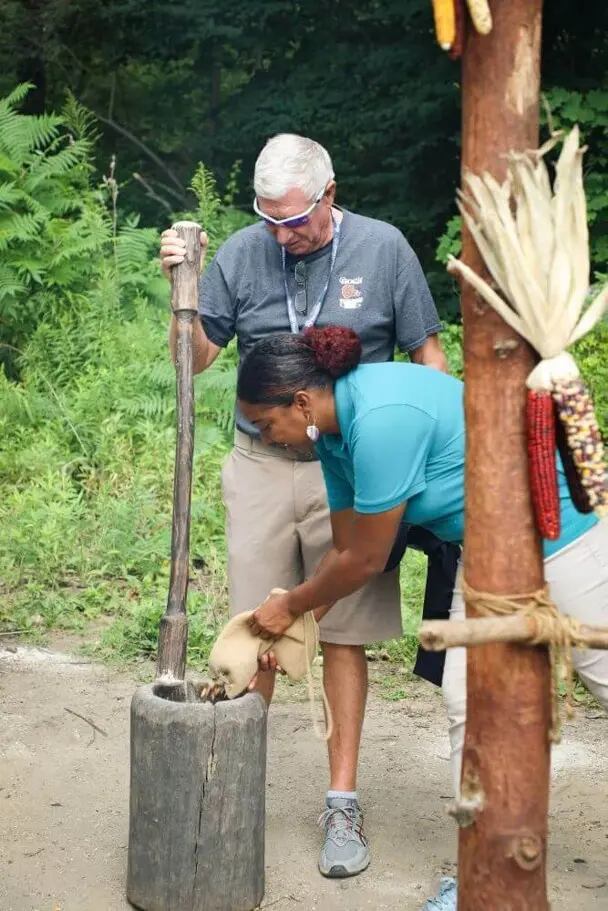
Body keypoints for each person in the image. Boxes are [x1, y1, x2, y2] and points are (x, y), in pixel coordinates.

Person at [160, 133, 459, 879]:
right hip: (263, 463)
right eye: (268, 220)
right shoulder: (242, 252)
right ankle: (232, 790)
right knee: (257, 622)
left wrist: (441, 443)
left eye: (294, 220)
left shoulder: (385, 249)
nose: (282, 235)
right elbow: (195, 359)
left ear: (330, 194)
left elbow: (429, 356)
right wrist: (183, 293)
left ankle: (341, 800)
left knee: (345, 630)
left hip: (358, 467)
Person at [236, 324, 608, 911]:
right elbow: (343, 550)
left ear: (300, 402)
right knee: (472, 710)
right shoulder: (331, 440)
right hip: (483, 554)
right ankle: (485, 876)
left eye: (266, 424)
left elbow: (369, 558)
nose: (270, 439)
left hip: (562, 541)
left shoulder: (381, 417)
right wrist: (295, 627)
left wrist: (287, 607)